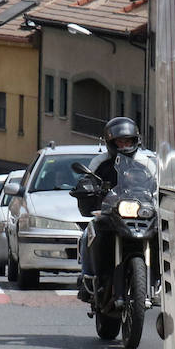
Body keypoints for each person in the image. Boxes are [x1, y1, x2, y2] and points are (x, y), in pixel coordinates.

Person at [75, 116, 142, 283]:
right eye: (120, 142)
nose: (124, 145)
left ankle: (155, 279)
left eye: (128, 141)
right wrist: (87, 187)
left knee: (158, 234)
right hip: (109, 212)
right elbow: (88, 179)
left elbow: (158, 182)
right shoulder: (100, 162)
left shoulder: (145, 162)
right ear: (111, 142)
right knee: (88, 235)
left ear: (135, 141)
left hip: (139, 212)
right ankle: (88, 277)